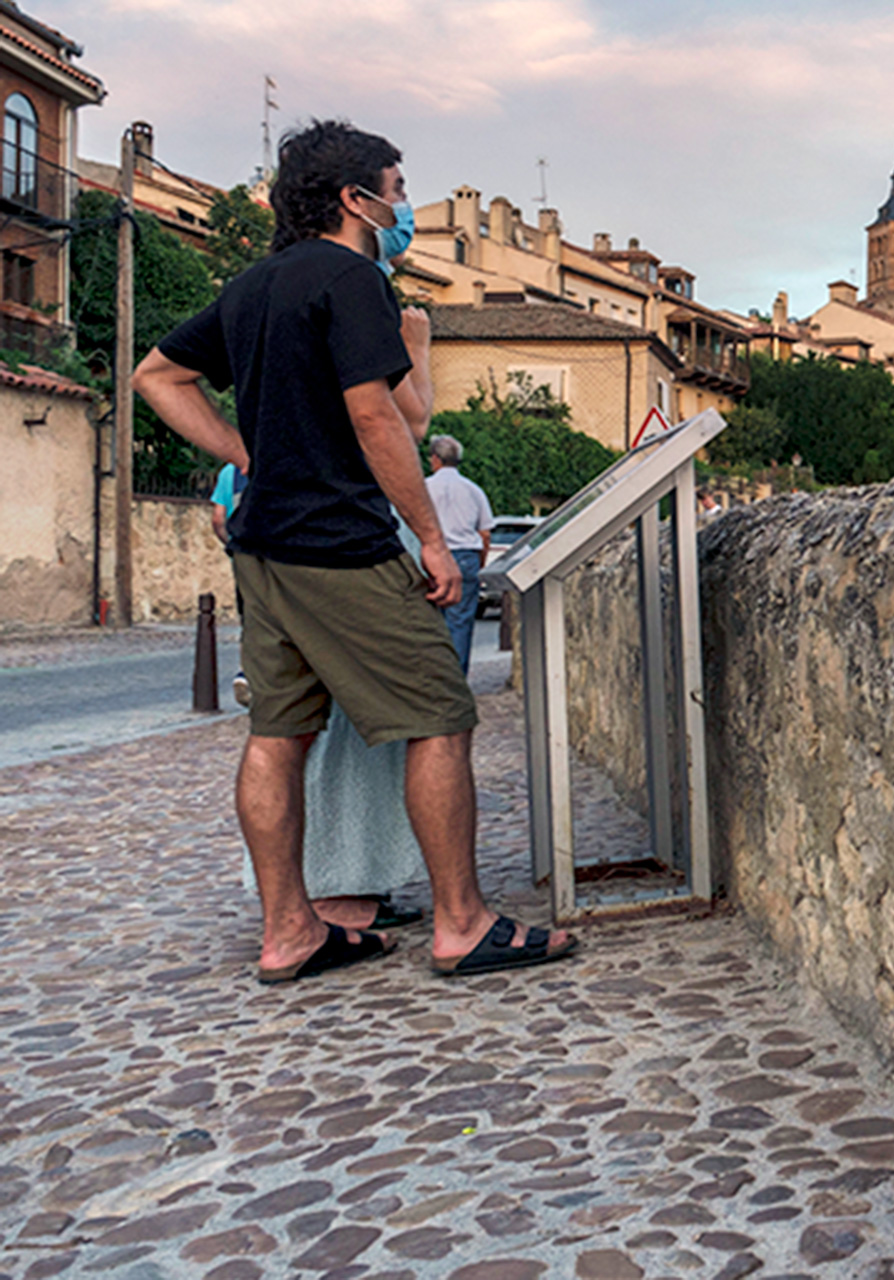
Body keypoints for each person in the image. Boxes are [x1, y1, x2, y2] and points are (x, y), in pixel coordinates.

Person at [133, 119, 574, 983]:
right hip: (340, 543)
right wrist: (431, 540)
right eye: (396, 189)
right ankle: (461, 923)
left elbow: (155, 374)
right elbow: (379, 417)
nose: (402, 205)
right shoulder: (353, 279)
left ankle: (289, 930)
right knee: (440, 717)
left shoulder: (253, 286)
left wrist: (245, 454)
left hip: (262, 545)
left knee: (277, 733)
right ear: (353, 198)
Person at [423, 434, 492, 672]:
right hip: (466, 555)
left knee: (428, 624)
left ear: (435, 459)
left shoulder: (424, 488)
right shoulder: (474, 490)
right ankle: (457, 680)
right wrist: (479, 563)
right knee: (460, 623)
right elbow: (484, 533)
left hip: (431, 556)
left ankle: (432, 680)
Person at [209, 461, 251, 706]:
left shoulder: (231, 471)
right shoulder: (281, 456)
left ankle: (246, 672)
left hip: (243, 552)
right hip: (282, 550)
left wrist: (230, 544)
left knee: (250, 614)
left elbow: (218, 518)